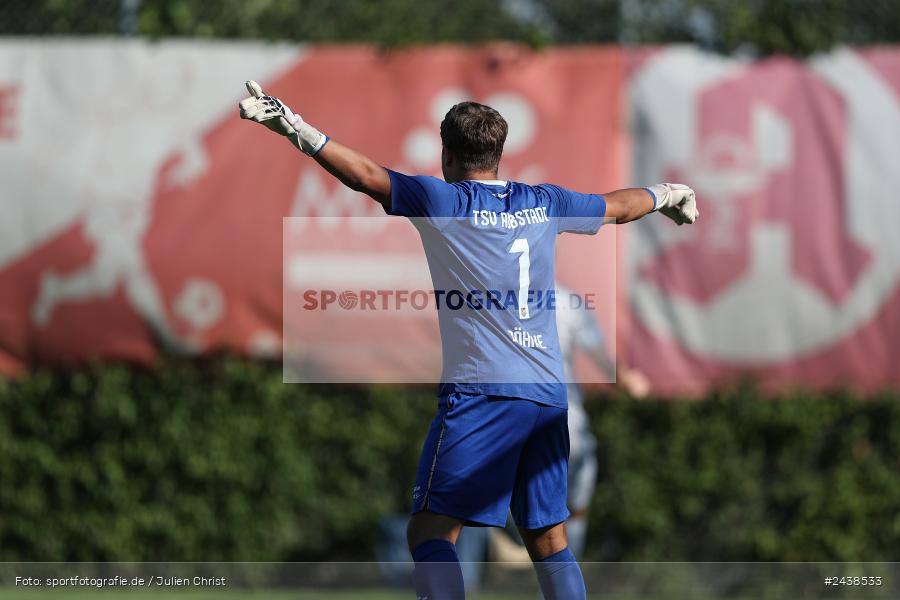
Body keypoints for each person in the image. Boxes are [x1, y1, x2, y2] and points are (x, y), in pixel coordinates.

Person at [239, 80, 699, 600]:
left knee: (431, 533)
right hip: (550, 395)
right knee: (549, 541)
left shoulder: (446, 200)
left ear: (447, 155)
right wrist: (666, 194)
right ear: (499, 154)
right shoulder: (543, 201)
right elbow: (617, 206)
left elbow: (367, 176)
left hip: (485, 393)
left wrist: (294, 127)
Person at [554, 283, 650, 559]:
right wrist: (629, 381)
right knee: (575, 498)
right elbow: (602, 360)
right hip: (562, 417)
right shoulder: (565, 302)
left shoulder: (495, 298)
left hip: (510, 416)